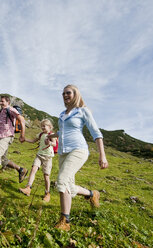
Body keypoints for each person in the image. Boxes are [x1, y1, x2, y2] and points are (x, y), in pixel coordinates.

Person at [46, 84, 108, 231]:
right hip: (63, 152)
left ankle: (65, 221)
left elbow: (96, 133)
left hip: (78, 150)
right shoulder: (62, 114)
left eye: (68, 93)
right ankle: (93, 194)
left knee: (61, 181)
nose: (65, 95)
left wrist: (102, 156)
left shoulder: (83, 111)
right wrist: (51, 136)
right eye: (63, 93)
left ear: (76, 94)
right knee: (70, 187)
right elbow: (62, 132)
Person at [0, 95, 28, 190]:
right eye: (0, 101)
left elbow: (22, 120)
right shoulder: (2, 111)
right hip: (2, 137)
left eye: (2, 101)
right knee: (3, 160)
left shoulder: (10, 109)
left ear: (8, 102)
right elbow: (0, 124)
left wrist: (22, 135)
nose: (0, 103)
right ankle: (21, 170)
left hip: (7, 137)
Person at [19, 119, 57, 202]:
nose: (43, 127)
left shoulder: (52, 134)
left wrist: (49, 143)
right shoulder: (40, 134)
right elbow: (33, 141)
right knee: (33, 169)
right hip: (39, 155)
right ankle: (28, 188)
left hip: (48, 157)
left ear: (50, 127)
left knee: (46, 176)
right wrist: (25, 139)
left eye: (44, 126)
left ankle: (47, 193)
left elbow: (54, 144)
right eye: (41, 126)